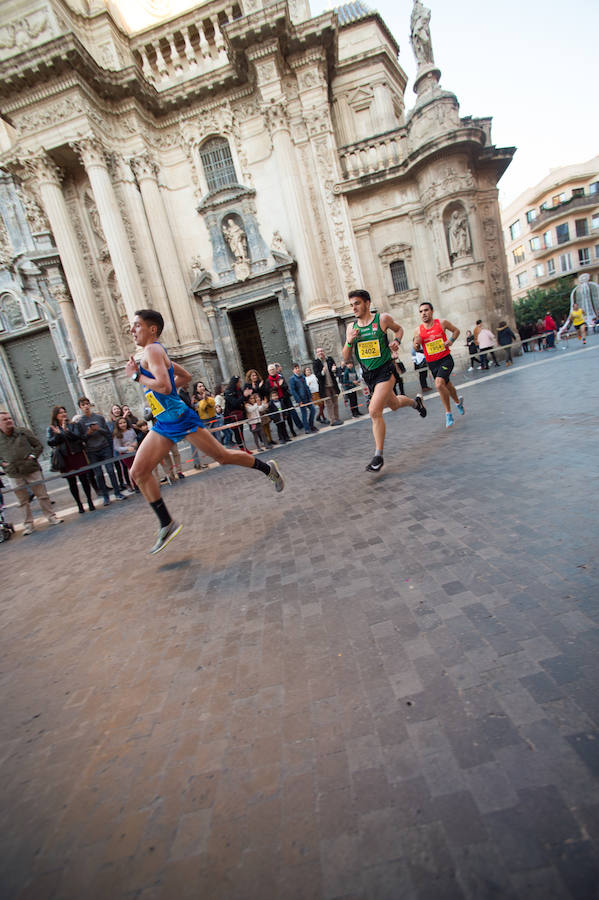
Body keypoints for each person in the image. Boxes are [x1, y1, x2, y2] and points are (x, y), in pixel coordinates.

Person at [126, 309, 284, 553]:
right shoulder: (154, 352)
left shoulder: (153, 350)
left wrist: (137, 376)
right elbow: (185, 376)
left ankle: (268, 469)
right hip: (164, 423)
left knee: (222, 456)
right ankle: (166, 523)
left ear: (152, 329)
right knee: (138, 472)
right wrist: (156, 387)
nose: (132, 330)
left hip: (180, 419)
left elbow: (167, 387)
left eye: (136, 325)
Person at [343, 289, 427, 472]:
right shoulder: (351, 328)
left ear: (367, 303)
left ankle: (378, 456)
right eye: (351, 305)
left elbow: (399, 329)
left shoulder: (382, 319)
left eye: (357, 303)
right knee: (395, 404)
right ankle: (416, 403)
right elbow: (346, 357)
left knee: (374, 410)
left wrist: (397, 341)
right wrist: (349, 341)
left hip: (385, 371)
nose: (354, 308)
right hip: (369, 375)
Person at [0, 410, 63, 534]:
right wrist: (3, 464)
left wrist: (33, 457)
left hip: (31, 469)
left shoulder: (23, 432)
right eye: (5, 419)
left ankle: (51, 517)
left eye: (9, 418)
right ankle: (28, 525)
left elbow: (38, 446)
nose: (8, 421)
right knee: (22, 501)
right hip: (14, 473)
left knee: (42, 495)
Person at [414, 301, 464, 429]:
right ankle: (458, 402)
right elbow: (416, 346)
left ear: (432, 311)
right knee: (447, 384)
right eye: (421, 311)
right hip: (432, 363)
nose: (423, 313)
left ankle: (448, 414)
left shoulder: (441, 323)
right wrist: (417, 343)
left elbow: (456, 331)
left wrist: (451, 341)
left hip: (446, 359)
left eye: (426, 310)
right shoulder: (418, 330)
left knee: (439, 384)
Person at [76, 397, 127, 505]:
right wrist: (89, 432)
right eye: (83, 405)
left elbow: (108, 433)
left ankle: (117, 493)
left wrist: (99, 429)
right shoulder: (80, 423)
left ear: (90, 405)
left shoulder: (99, 418)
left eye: (87, 404)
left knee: (110, 471)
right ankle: (105, 497)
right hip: (92, 451)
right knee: (98, 474)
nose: (85, 406)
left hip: (104, 448)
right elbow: (81, 439)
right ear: (80, 407)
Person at [47, 406, 96, 513]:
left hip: (77, 454)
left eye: (64, 412)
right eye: (60, 413)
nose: (63, 414)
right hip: (65, 457)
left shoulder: (73, 425)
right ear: (56, 415)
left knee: (84, 479)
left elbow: (79, 438)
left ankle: (90, 501)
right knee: (72, 482)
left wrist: (66, 431)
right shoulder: (52, 428)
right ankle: (79, 504)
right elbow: (51, 442)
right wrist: (59, 435)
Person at [313, 348, 343, 426]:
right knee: (329, 404)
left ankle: (337, 418)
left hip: (333, 385)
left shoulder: (329, 359)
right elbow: (317, 374)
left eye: (322, 351)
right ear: (316, 353)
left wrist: (334, 370)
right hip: (324, 387)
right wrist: (323, 372)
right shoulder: (316, 362)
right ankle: (332, 420)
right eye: (319, 352)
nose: (321, 353)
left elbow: (335, 369)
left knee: (335, 402)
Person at [289, 363, 318, 433]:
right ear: (293, 370)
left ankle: (311, 425)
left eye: (298, 368)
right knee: (304, 414)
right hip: (301, 399)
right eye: (296, 368)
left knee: (313, 410)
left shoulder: (302, 376)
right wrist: (298, 400)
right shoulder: (292, 379)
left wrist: (310, 395)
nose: (298, 369)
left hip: (307, 398)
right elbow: (293, 391)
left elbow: (306, 386)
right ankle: (307, 428)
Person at [224, 376, 248, 450]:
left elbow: (243, 400)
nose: (240, 383)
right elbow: (235, 403)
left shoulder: (239, 390)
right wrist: (244, 395)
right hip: (232, 416)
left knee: (241, 432)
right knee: (237, 433)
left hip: (240, 414)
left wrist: (247, 395)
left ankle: (244, 448)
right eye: (239, 382)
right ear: (235, 383)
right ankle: (242, 449)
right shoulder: (228, 392)